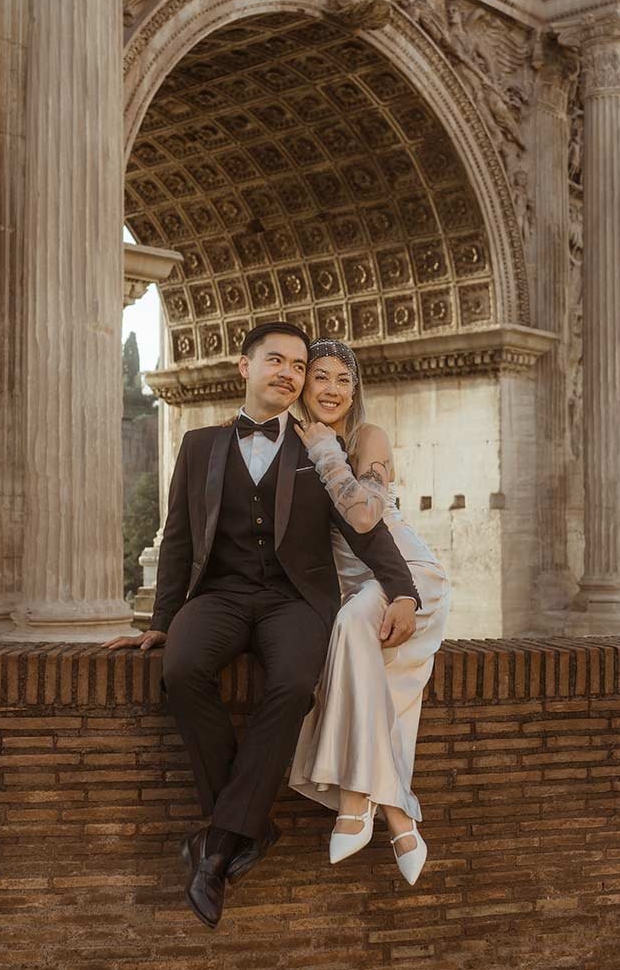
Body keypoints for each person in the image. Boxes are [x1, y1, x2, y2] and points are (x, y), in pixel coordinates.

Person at [104, 322, 420, 930]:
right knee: (183, 668)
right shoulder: (199, 445)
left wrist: (402, 591)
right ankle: (245, 826)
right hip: (218, 594)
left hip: (294, 600)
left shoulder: (320, 449)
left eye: (298, 366)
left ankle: (217, 845)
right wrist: (163, 621)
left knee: (294, 684)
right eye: (276, 361)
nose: (289, 374)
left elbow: (365, 528)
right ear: (243, 367)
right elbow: (177, 539)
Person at [286, 339, 451, 885]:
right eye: (321, 377)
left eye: (342, 380)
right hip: (354, 594)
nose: (331, 389)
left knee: (353, 622)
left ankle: (357, 801)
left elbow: (363, 516)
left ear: (355, 390)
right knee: (360, 658)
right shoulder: (285, 443)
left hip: (408, 578)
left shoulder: (365, 439)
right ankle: (400, 815)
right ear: (303, 384)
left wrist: (328, 452)